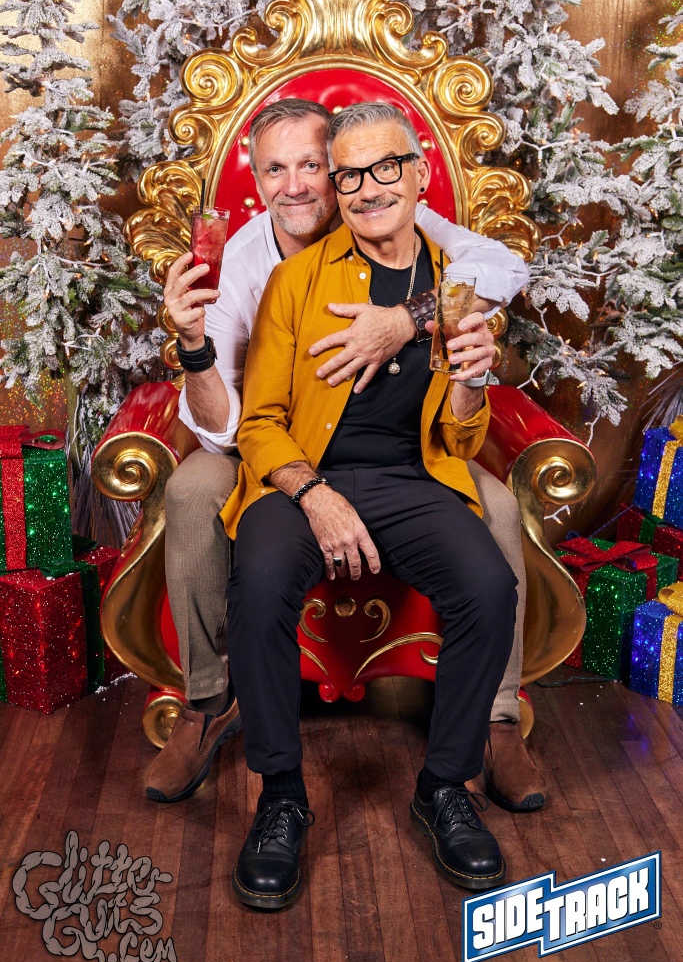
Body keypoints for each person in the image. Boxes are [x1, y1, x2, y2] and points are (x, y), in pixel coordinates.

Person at [146, 98, 546, 816]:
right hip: (252, 440)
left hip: (406, 464)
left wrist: (407, 323)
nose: (297, 185)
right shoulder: (250, 267)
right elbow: (230, 427)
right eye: (276, 169)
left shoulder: (409, 229)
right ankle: (208, 704)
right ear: (256, 181)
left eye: (312, 166)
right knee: (196, 493)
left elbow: (499, 269)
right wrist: (196, 347)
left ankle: (494, 720)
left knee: (497, 514)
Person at [217, 101, 523, 908]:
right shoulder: (294, 281)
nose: (366, 188)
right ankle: (281, 796)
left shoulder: (455, 287)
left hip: (413, 481)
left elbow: (459, 439)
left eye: (385, 167)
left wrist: (470, 380)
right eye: (348, 175)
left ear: (419, 173)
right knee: (258, 582)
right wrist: (314, 495)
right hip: (303, 479)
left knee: (489, 587)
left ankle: (444, 785)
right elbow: (258, 423)